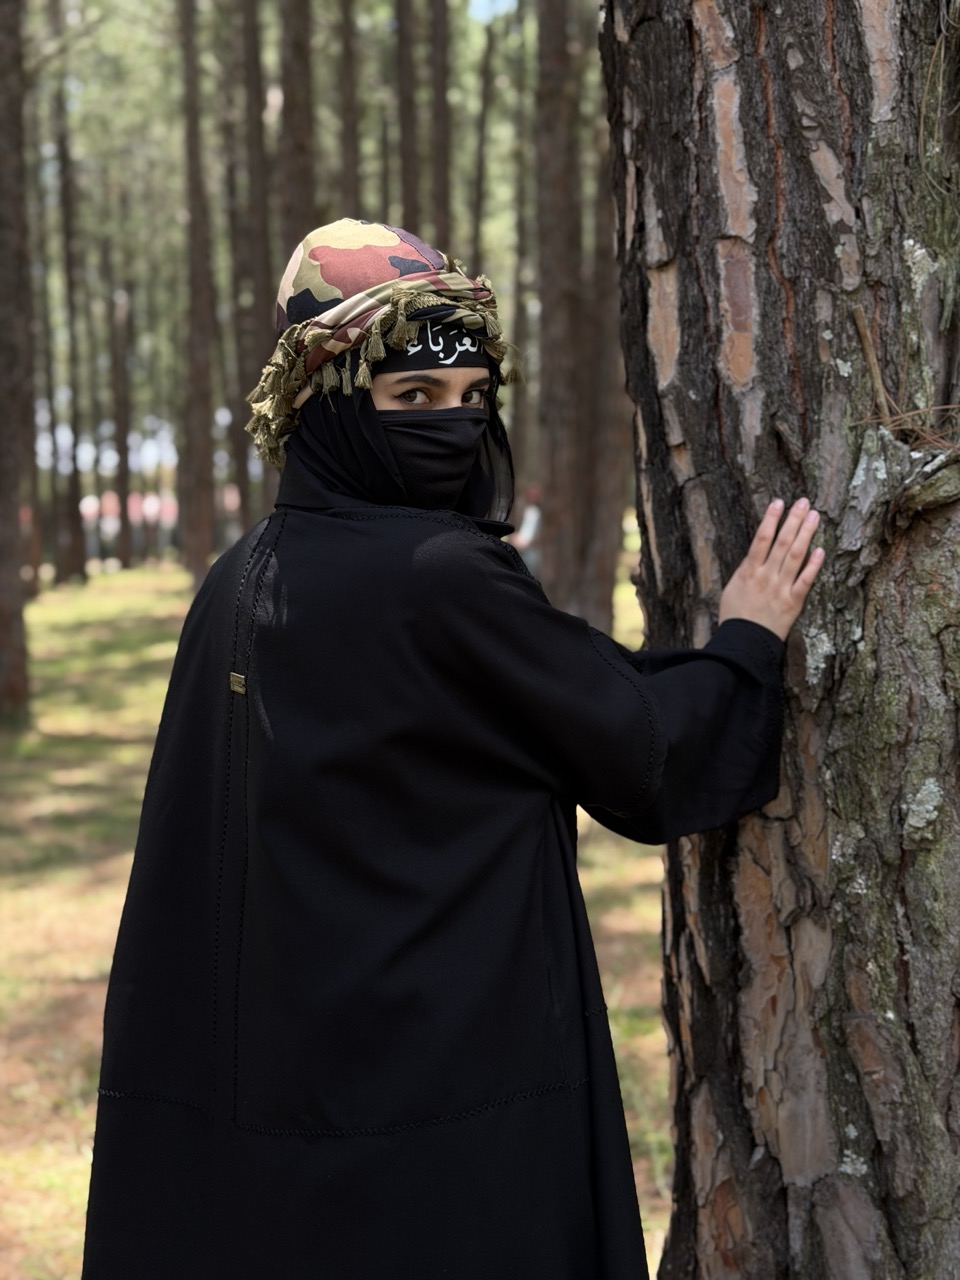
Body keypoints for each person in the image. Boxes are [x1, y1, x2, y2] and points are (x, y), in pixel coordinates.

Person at [81, 218, 823, 1279]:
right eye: (414, 397)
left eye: (473, 396)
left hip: (289, 1102)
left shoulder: (239, 579)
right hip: (442, 1102)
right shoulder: (437, 573)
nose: (455, 426)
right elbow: (639, 749)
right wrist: (746, 641)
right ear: (328, 400)